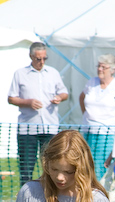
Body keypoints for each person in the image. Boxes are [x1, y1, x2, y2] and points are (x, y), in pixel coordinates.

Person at [8, 42, 69, 186]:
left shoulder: (53, 73)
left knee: (52, 166)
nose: (41, 62)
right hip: (27, 129)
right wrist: (28, 102)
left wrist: (59, 97)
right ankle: (26, 197)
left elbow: (64, 92)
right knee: (26, 168)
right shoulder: (20, 74)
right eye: (38, 59)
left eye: (44, 58)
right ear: (31, 57)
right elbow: (11, 98)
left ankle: (50, 196)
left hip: (50, 127)